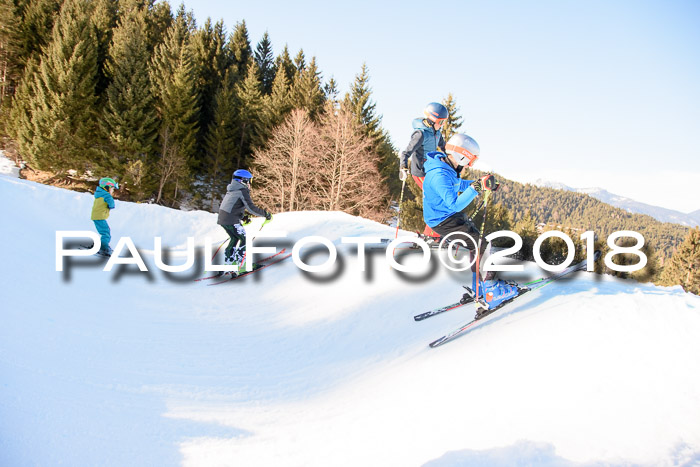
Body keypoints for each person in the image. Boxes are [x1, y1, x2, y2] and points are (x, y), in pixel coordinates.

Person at [422, 133, 518, 315]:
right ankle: (491, 291)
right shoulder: (439, 174)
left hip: (448, 217)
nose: (470, 165)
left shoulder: (444, 168)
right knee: (482, 246)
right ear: (462, 155)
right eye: (471, 160)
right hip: (444, 221)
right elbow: (454, 203)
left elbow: (458, 185)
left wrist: (480, 184)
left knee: (478, 246)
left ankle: (480, 287)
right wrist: (476, 188)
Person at [398, 102, 448, 240]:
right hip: (420, 172)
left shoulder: (437, 133)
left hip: (431, 172)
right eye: (441, 122)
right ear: (433, 120)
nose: (443, 124)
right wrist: (403, 167)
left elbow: (444, 148)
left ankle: (435, 234)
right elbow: (406, 152)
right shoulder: (421, 134)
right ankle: (431, 235)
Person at [217, 169, 272, 275]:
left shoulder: (232, 189)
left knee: (235, 238)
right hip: (232, 220)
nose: (250, 184)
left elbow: (233, 206)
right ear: (244, 181)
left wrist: (243, 217)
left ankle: (230, 263)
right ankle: (242, 265)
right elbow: (250, 208)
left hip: (224, 219)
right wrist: (265, 214)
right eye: (250, 181)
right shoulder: (242, 190)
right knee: (244, 240)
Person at [91, 177, 119, 256]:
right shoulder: (107, 196)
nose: (112, 191)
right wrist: (110, 199)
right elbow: (112, 205)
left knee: (104, 231)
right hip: (99, 216)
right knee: (106, 233)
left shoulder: (99, 193)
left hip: (96, 216)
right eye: (112, 189)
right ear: (107, 187)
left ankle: (102, 245)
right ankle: (103, 248)